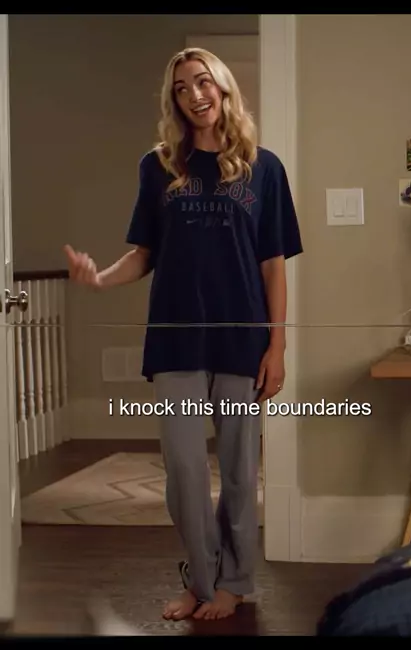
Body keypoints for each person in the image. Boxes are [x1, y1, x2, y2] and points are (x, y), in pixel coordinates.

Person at [64, 47, 303, 622]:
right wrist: (100, 278)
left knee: (241, 472)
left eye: (202, 82)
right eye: (181, 88)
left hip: (243, 341)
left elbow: (274, 265)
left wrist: (277, 345)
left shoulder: (265, 168)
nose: (194, 95)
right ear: (174, 100)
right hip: (176, 339)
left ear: (222, 88)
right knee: (185, 473)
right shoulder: (160, 166)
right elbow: (144, 254)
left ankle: (233, 583)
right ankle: (201, 578)